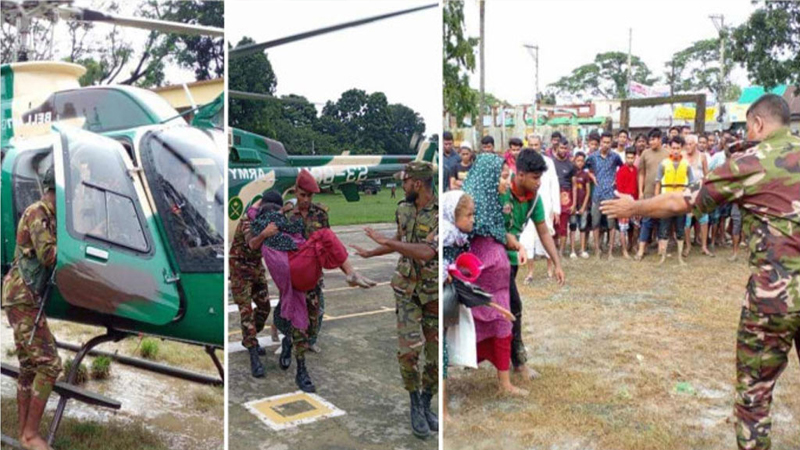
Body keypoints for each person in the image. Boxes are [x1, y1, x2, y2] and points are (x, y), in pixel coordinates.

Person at [602, 93, 799, 450]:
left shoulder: (752, 161)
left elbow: (683, 200)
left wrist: (635, 207)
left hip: (776, 297)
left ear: (756, 124)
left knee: (755, 392)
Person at [352, 161, 438, 439]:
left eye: (405, 181)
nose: (402, 185)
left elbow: (426, 252)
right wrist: (371, 252)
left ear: (418, 183)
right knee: (408, 352)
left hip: (433, 292)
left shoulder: (441, 215)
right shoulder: (402, 208)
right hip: (406, 290)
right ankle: (415, 403)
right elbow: (398, 239)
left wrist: (389, 243)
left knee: (435, 356)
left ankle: (427, 402)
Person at [2, 167, 61, 450]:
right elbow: (48, 255)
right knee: (50, 365)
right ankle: (31, 434)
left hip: (20, 296)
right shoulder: (39, 213)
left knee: (28, 366)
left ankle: (25, 434)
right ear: (57, 190)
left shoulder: (48, 216)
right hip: (22, 296)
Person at [502, 149, 565, 381]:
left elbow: (544, 232)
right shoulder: (501, 191)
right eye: (535, 178)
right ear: (520, 175)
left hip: (511, 261)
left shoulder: (534, 199)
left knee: (506, 309)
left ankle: (506, 362)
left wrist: (557, 263)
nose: (539, 183)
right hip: (492, 260)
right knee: (513, 308)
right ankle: (518, 364)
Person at [283, 170, 332, 392]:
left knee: (313, 322)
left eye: (309, 196)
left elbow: (328, 241)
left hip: (313, 278)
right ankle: (301, 370)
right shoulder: (286, 215)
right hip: (293, 280)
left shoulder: (320, 214)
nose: (306, 200)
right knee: (299, 324)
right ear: (296, 191)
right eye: (303, 195)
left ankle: (288, 341)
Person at [229, 195, 277, 378]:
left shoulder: (268, 216)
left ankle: (250, 338)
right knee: (246, 311)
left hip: (255, 267)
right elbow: (252, 242)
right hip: (240, 269)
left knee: (264, 307)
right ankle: (253, 353)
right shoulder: (247, 222)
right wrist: (265, 233)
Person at [521, 133, 561, 282]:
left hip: (545, 206)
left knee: (546, 236)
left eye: (535, 145)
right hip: (527, 206)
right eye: (530, 145)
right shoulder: (523, 163)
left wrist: (556, 209)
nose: (533, 147)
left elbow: (554, 186)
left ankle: (550, 270)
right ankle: (530, 272)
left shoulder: (548, 162)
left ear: (540, 145)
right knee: (527, 239)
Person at [654, 135, 693, 265]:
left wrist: (690, 203)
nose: (675, 150)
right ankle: (663, 257)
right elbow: (658, 183)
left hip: (681, 201)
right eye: (673, 148)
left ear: (682, 149)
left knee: (680, 230)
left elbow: (692, 184)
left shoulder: (686, 165)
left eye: (678, 148)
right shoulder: (663, 164)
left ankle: (680, 258)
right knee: (664, 229)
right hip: (666, 200)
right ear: (670, 148)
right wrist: (656, 200)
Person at [585, 131, 623, 259]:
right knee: (595, 224)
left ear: (612, 143)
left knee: (611, 224)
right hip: (597, 194)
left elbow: (622, 169)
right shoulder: (592, 157)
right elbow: (585, 168)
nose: (606, 145)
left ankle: (610, 252)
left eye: (608, 142)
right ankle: (597, 250)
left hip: (610, 195)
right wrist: (592, 176)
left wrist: (616, 179)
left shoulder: (615, 157)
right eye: (604, 142)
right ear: (600, 142)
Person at [635, 128, 670, 261]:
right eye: (649, 139)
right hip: (648, 192)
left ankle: (662, 250)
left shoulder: (668, 154)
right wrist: (640, 191)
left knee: (663, 220)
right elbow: (642, 173)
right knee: (646, 221)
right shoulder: (645, 153)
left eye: (653, 139)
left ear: (660, 139)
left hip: (663, 193)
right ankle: (641, 250)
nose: (651, 142)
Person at [682, 134, 713, 257]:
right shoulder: (682, 156)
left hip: (700, 191)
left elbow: (707, 174)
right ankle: (688, 245)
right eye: (686, 144)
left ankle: (704, 246)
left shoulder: (702, 156)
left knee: (704, 219)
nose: (688, 146)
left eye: (690, 144)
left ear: (695, 145)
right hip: (686, 191)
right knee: (687, 220)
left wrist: (706, 190)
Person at [553, 139, 577, 257]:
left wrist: (574, 203)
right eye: (561, 148)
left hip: (566, 197)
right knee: (552, 225)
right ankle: (552, 249)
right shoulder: (551, 163)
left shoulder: (571, 165)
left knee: (563, 225)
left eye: (565, 148)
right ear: (557, 148)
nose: (563, 150)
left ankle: (561, 251)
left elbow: (574, 185)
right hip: (553, 195)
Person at [615, 147, 639, 259]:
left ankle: (632, 244)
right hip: (624, 203)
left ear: (635, 158)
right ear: (625, 157)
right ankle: (624, 250)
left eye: (632, 157)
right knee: (623, 228)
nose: (630, 160)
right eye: (628, 157)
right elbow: (619, 190)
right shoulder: (621, 171)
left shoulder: (636, 170)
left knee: (635, 226)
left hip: (635, 203)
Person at [571, 152, 592, 258]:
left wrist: (584, 206)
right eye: (578, 160)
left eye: (582, 161)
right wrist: (573, 205)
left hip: (583, 205)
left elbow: (588, 191)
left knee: (583, 227)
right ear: (574, 160)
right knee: (573, 227)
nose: (580, 163)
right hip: (574, 205)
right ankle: (572, 250)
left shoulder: (585, 175)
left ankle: (582, 249)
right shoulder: (572, 173)